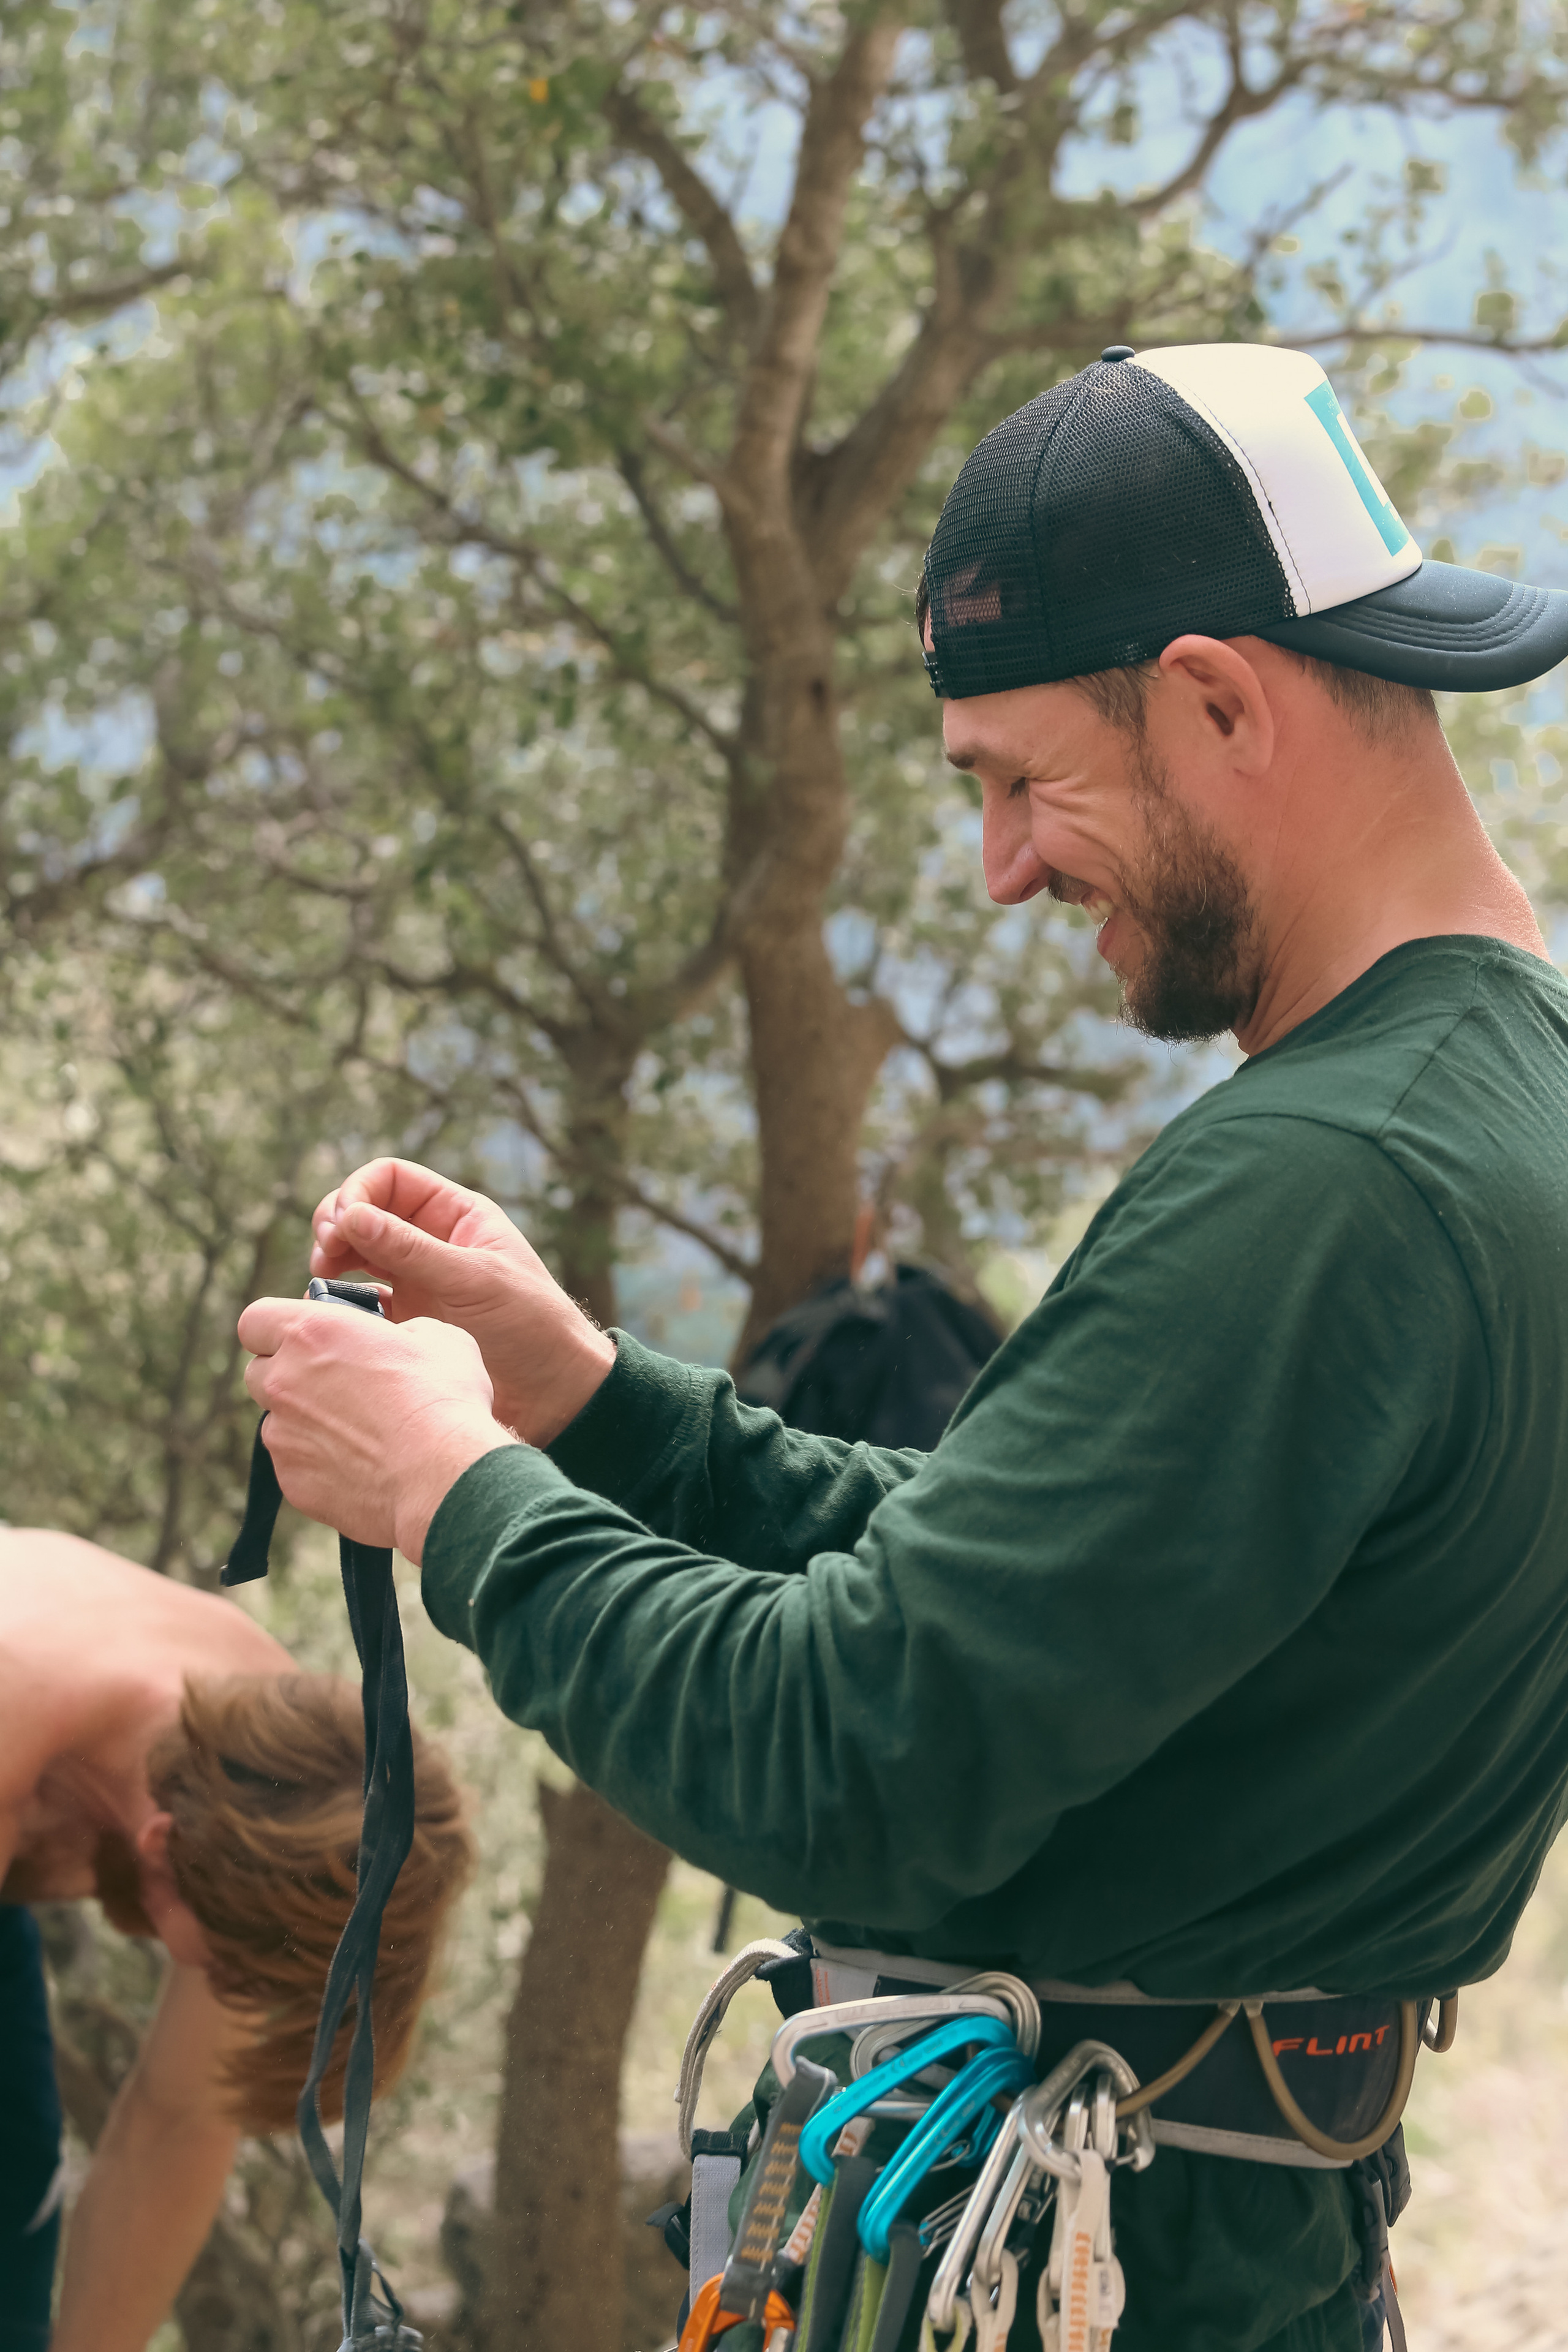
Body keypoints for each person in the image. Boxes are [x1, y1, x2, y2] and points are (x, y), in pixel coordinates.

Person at [236, 342, 1568, 2351]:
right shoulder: (1498, 1091)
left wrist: (453, 1493)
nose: (1003, 867)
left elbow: (845, 1756)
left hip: (1101, 2275)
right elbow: (1024, 1567)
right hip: (1244, 2248)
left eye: (1025, 781)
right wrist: (590, 1402)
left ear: (1218, 700)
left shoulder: (1330, 1183)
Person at [0, 1527, 472, 2351]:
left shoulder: (294, 1779)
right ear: (159, 1851)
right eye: (222, 1972)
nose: (222, 1997)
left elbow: (180, 2116)